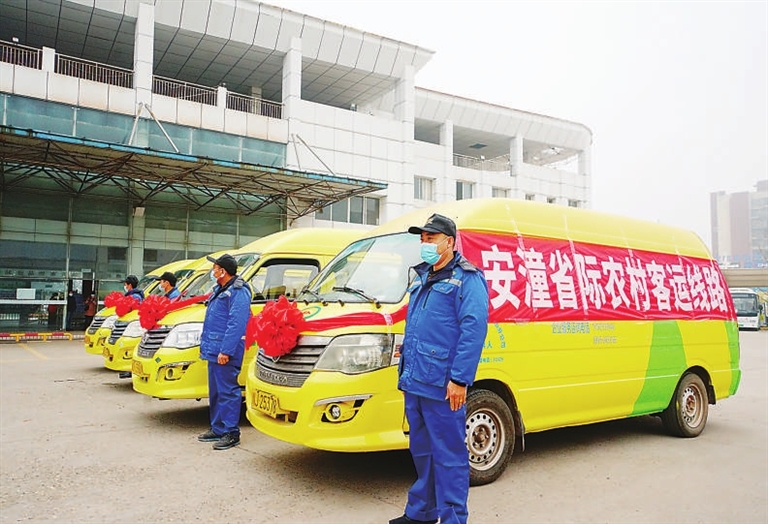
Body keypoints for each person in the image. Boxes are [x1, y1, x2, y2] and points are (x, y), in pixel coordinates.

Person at [390, 213, 489, 524]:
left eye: (430, 238)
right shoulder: (422, 276)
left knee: (448, 457)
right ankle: (422, 512)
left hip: (444, 384)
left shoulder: (467, 278)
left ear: (449, 242)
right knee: (422, 452)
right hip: (416, 379)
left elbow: (473, 329)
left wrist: (460, 379)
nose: (425, 244)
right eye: (422, 239)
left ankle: (453, 518)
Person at [197, 254, 251, 451]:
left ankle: (231, 432)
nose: (213, 271)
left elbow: (237, 323)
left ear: (223, 271)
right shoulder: (220, 290)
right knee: (216, 391)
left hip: (225, 350)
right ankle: (218, 428)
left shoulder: (239, 292)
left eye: (215, 268)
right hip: (214, 349)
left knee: (228, 391)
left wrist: (226, 350)